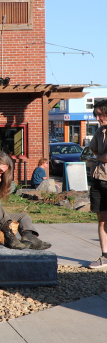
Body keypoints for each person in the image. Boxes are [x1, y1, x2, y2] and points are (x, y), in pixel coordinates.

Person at [88, 99, 107, 269]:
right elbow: (92, 148)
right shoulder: (100, 131)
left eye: (100, 114)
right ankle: (104, 255)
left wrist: (99, 157)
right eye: (96, 115)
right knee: (101, 219)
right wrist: (100, 156)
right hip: (98, 178)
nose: (98, 118)